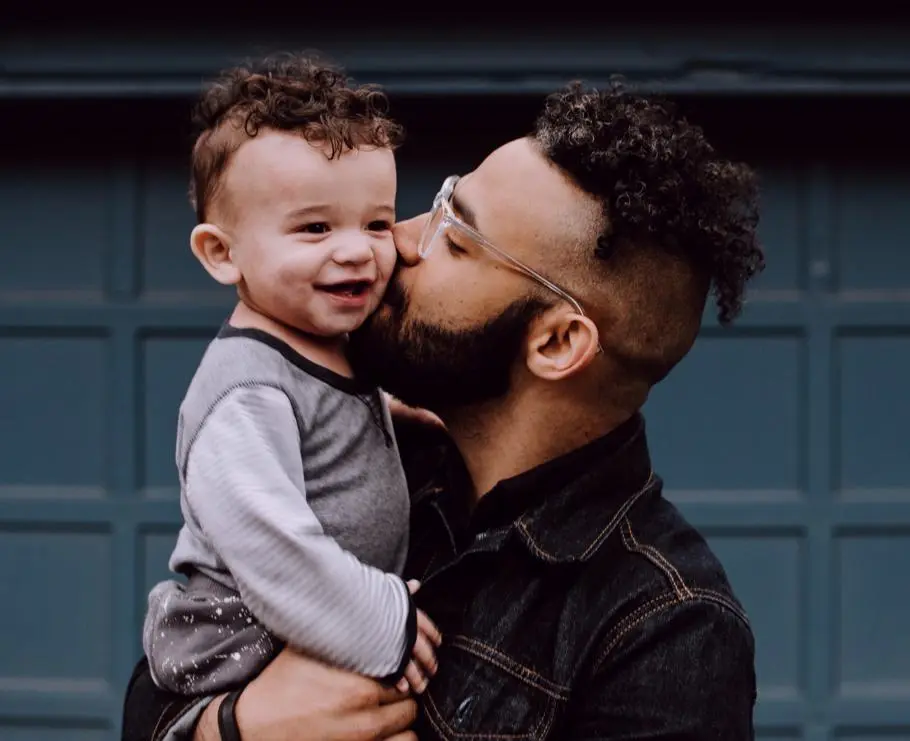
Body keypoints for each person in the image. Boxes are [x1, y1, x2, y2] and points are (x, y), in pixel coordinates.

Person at [122, 65, 766, 741]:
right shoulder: (371, 458)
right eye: (435, 204)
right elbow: (159, 684)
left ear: (555, 341)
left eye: (455, 239)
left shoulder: (665, 628)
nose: (393, 241)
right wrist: (232, 727)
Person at [139, 52, 440, 704]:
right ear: (223, 253)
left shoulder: (328, 346)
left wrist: (391, 414)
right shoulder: (246, 392)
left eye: (377, 223)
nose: (357, 248)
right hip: (240, 640)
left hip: (310, 624)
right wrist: (383, 622)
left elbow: (325, 418)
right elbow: (272, 545)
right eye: (315, 227)